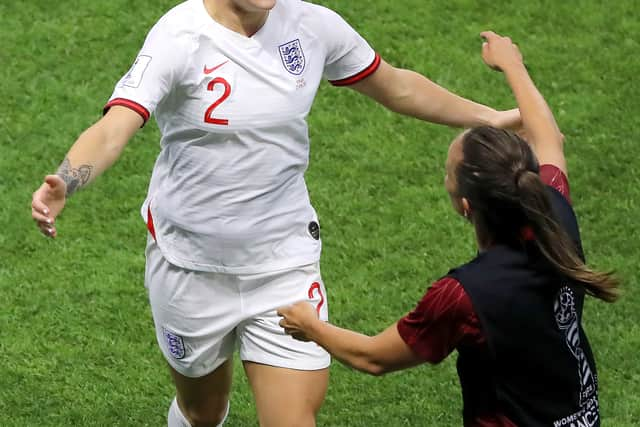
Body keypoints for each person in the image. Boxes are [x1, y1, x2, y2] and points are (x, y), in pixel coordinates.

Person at [30, 0, 521, 425]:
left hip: (282, 264)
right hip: (187, 265)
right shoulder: (179, 36)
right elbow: (115, 127)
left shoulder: (311, 26)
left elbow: (396, 86)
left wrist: (492, 118)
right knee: (203, 414)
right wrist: (67, 180)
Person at [278, 31, 619, 427]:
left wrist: (312, 327)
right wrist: (512, 64)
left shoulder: (463, 296)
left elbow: (373, 358)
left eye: (447, 173)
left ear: (465, 207)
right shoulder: (555, 214)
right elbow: (548, 135)